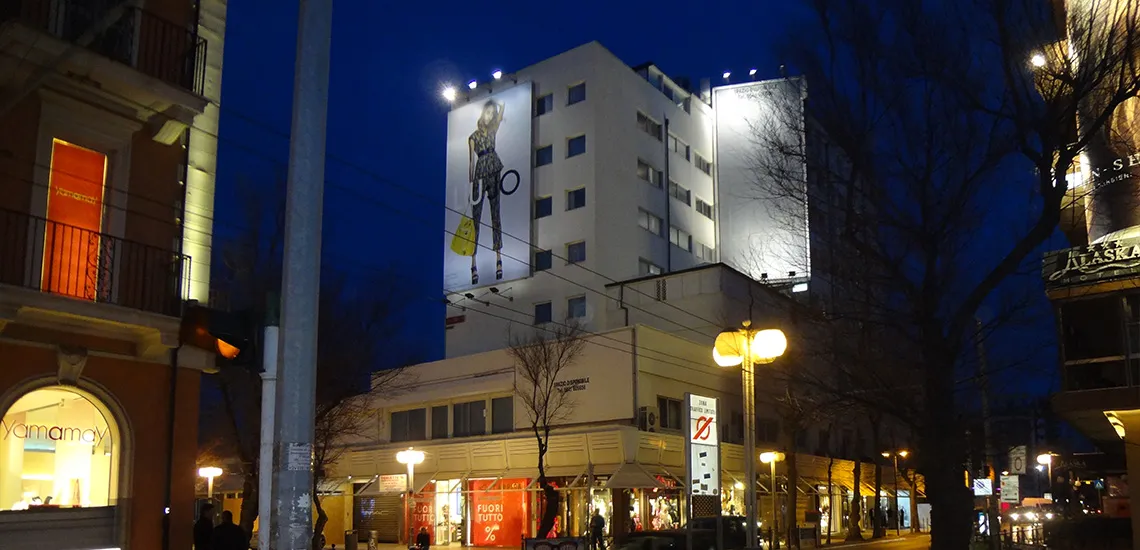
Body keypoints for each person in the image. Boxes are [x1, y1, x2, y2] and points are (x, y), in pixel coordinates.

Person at [467, 99, 506, 285]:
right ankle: (473, 263)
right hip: (479, 175)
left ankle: (499, 258)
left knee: (495, 215)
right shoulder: (473, 138)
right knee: (476, 220)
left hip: (494, 169)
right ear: (483, 113)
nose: (490, 116)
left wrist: (499, 103)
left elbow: (502, 110)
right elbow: (470, 163)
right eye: (487, 112)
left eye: (492, 113)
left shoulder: (493, 131)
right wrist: (470, 185)